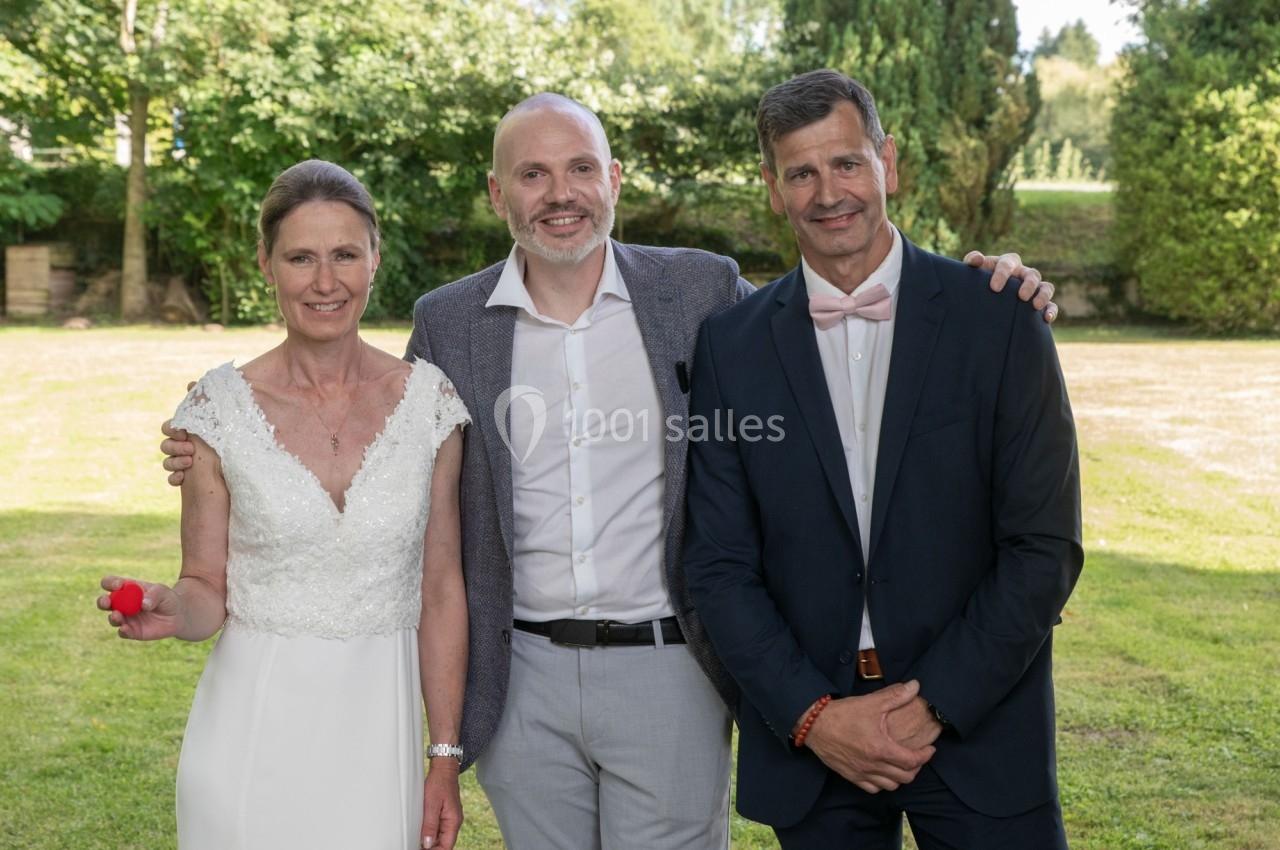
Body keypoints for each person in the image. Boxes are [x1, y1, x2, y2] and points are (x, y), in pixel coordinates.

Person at [161, 96, 1060, 849]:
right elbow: (383, 435)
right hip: (520, 678)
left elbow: (829, 330)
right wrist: (232, 446)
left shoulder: (700, 291)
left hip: (670, 665)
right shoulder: (450, 322)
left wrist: (992, 279)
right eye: (534, 175)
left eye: (581, 169)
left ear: (614, 179)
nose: (562, 195)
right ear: (497, 194)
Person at [682, 69, 1083, 850]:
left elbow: (1044, 546)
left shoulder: (998, 319)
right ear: (773, 188)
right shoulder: (731, 347)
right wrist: (813, 717)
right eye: (800, 173)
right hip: (815, 745)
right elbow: (719, 564)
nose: (828, 193)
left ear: (887, 162)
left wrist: (930, 705)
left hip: (979, 729)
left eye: (846, 163)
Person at [101, 160, 471, 850]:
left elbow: (442, 589)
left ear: (375, 260)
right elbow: (205, 587)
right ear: (267, 265)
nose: (325, 282)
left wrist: (443, 755)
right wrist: (170, 608)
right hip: (249, 731)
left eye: (344, 256)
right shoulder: (215, 410)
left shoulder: (432, 405)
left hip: (375, 739)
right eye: (301, 258)